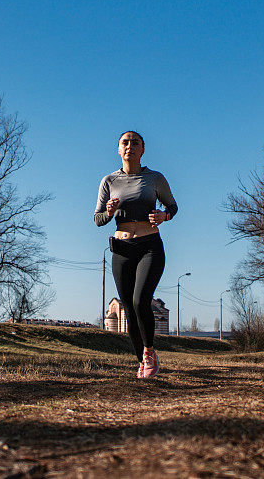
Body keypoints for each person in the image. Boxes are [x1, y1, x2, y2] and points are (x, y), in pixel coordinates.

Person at [94, 131, 178, 378]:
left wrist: (164, 215)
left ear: (143, 150)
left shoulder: (154, 178)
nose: (129, 146)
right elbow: (97, 219)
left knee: (141, 300)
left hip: (150, 246)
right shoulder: (108, 181)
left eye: (135, 143)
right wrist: (109, 213)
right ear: (118, 150)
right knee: (129, 308)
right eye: (125, 143)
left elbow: (172, 206)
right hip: (122, 249)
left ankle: (150, 353)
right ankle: (141, 359)